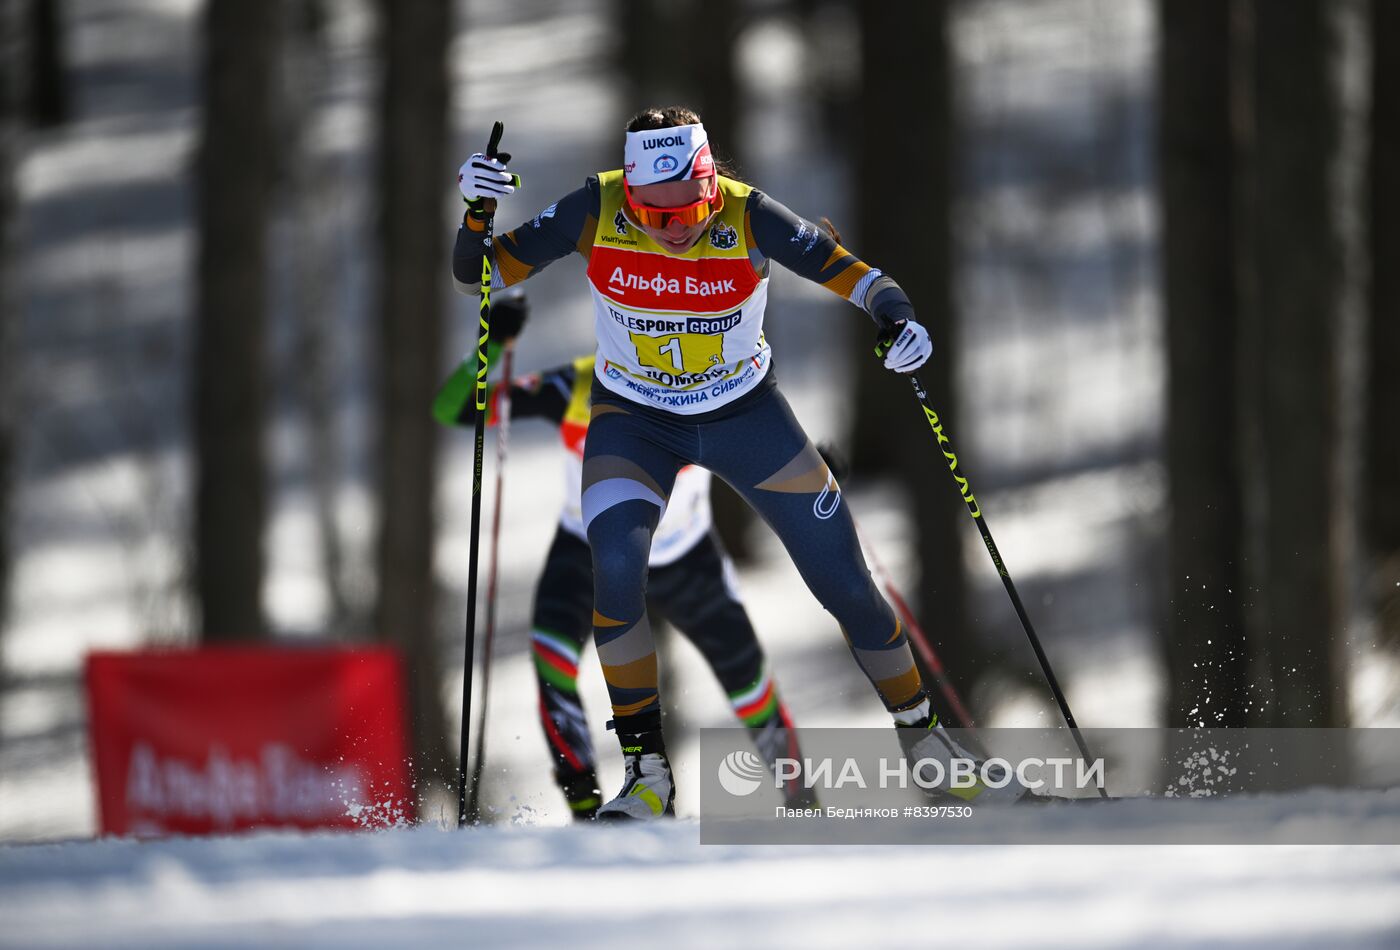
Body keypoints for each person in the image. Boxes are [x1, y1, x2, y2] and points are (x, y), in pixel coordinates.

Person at [453, 105, 1022, 819]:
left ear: (710, 182)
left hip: (745, 418)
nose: (675, 229)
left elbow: (864, 280)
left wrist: (898, 323)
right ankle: (646, 774)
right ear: (628, 193)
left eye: (688, 209)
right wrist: (477, 211)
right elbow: (478, 274)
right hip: (636, 422)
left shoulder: (750, 217)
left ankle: (926, 742)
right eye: (653, 216)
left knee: (845, 583)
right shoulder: (594, 208)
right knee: (617, 571)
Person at [433, 293, 814, 819]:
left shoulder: (710, 377)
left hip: (684, 556)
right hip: (587, 550)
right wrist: (492, 341)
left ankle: (804, 802)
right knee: (553, 664)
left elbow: (763, 428)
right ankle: (586, 808)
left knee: (748, 683)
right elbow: (453, 408)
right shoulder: (575, 385)